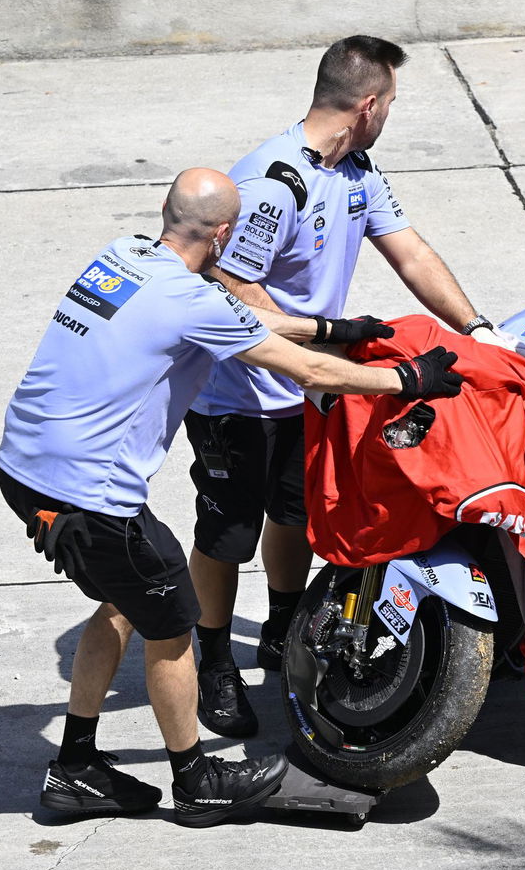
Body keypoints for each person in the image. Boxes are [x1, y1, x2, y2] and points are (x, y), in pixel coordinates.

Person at [0, 168, 466, 827]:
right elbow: (304, 373)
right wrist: (402, 376)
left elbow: (247, 322)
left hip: (24, 471)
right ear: (222, 235)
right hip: (88, 495)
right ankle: (198, 779)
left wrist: (331, 328)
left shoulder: (122, 257)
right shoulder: (192, 300)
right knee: (171, 623)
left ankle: (75, 768)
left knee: (123, 601)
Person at [185, 36, 499, 740]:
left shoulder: (357, 172)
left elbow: (410, 250)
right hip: (238, 396)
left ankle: (280, 624)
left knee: (297, 513)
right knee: (227, 534)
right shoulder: (273, 181)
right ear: (366, 105)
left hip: (313, 388)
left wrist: (476, 328)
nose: (389, 114)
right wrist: (323, 332)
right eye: (389, 102)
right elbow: (233, 284)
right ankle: (211, 657)